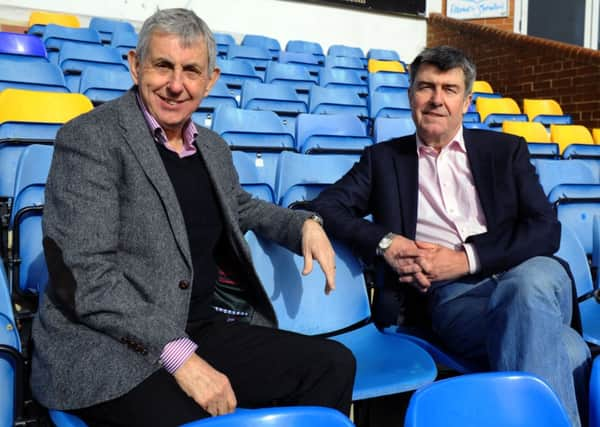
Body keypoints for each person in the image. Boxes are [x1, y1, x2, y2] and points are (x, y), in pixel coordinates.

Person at [30, 8, 355, 427]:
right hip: (109, 346)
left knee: (333, 365)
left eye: (191, 70)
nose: (176, 85)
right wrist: (182, 359)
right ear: (135, 65)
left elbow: (239, 205)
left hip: (199, 328)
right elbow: (85, 275)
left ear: (210, 80)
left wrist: (302, 225)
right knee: (200, 419)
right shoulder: (89, 139)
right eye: (163, 65)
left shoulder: (213, 148)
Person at [309, 45, 590, 426]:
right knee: (568, 348)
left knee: (526, 288)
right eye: (426, 87)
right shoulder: (384, 160)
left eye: (449, 89)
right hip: (456, 299)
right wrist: (387, 243)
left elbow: (545, 227)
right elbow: (327, 206)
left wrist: (464, 258)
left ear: (467, 100)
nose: (437, 100)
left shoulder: (505, 150)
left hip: (531, 274)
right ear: (410, 95)